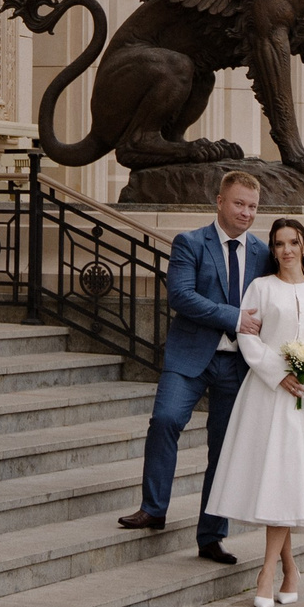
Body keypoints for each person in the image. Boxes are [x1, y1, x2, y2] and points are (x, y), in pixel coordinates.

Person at [118, 171, 270, 563]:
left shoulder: (261, 252)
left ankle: (211, 536)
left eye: (252, 206)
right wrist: (234, 317)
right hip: (190, 357)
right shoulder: (190, 243)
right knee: (165, 420)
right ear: (219, 201)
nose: (246, 213)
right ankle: (153, 509)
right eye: (239, 203)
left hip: (238, 365)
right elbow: (181, 297)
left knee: (223, 450)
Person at [206, 215, 304, 607]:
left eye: (292, 242)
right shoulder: (261, 287)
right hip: (267, 395)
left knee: (288, 479)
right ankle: (281, 569)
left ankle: (271, 571)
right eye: (278, 244)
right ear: (272, 250)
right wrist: (278, 372)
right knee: (279, 479)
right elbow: (247, 335)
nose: (286, 250)